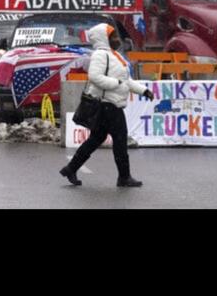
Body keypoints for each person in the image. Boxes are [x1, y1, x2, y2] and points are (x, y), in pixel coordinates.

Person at [60, 23, 154, 187]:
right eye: (113, 37)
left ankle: (71, 168)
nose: (117, 39)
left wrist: (143, 91)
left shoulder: (114, 55)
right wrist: (116, 83)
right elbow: (95, 76)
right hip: (108, 104)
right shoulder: (101, 55)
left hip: (110, 104)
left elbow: (126, 81)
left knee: (96, 139)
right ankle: (124, 177)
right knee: (120, 139)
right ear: (104, 38)